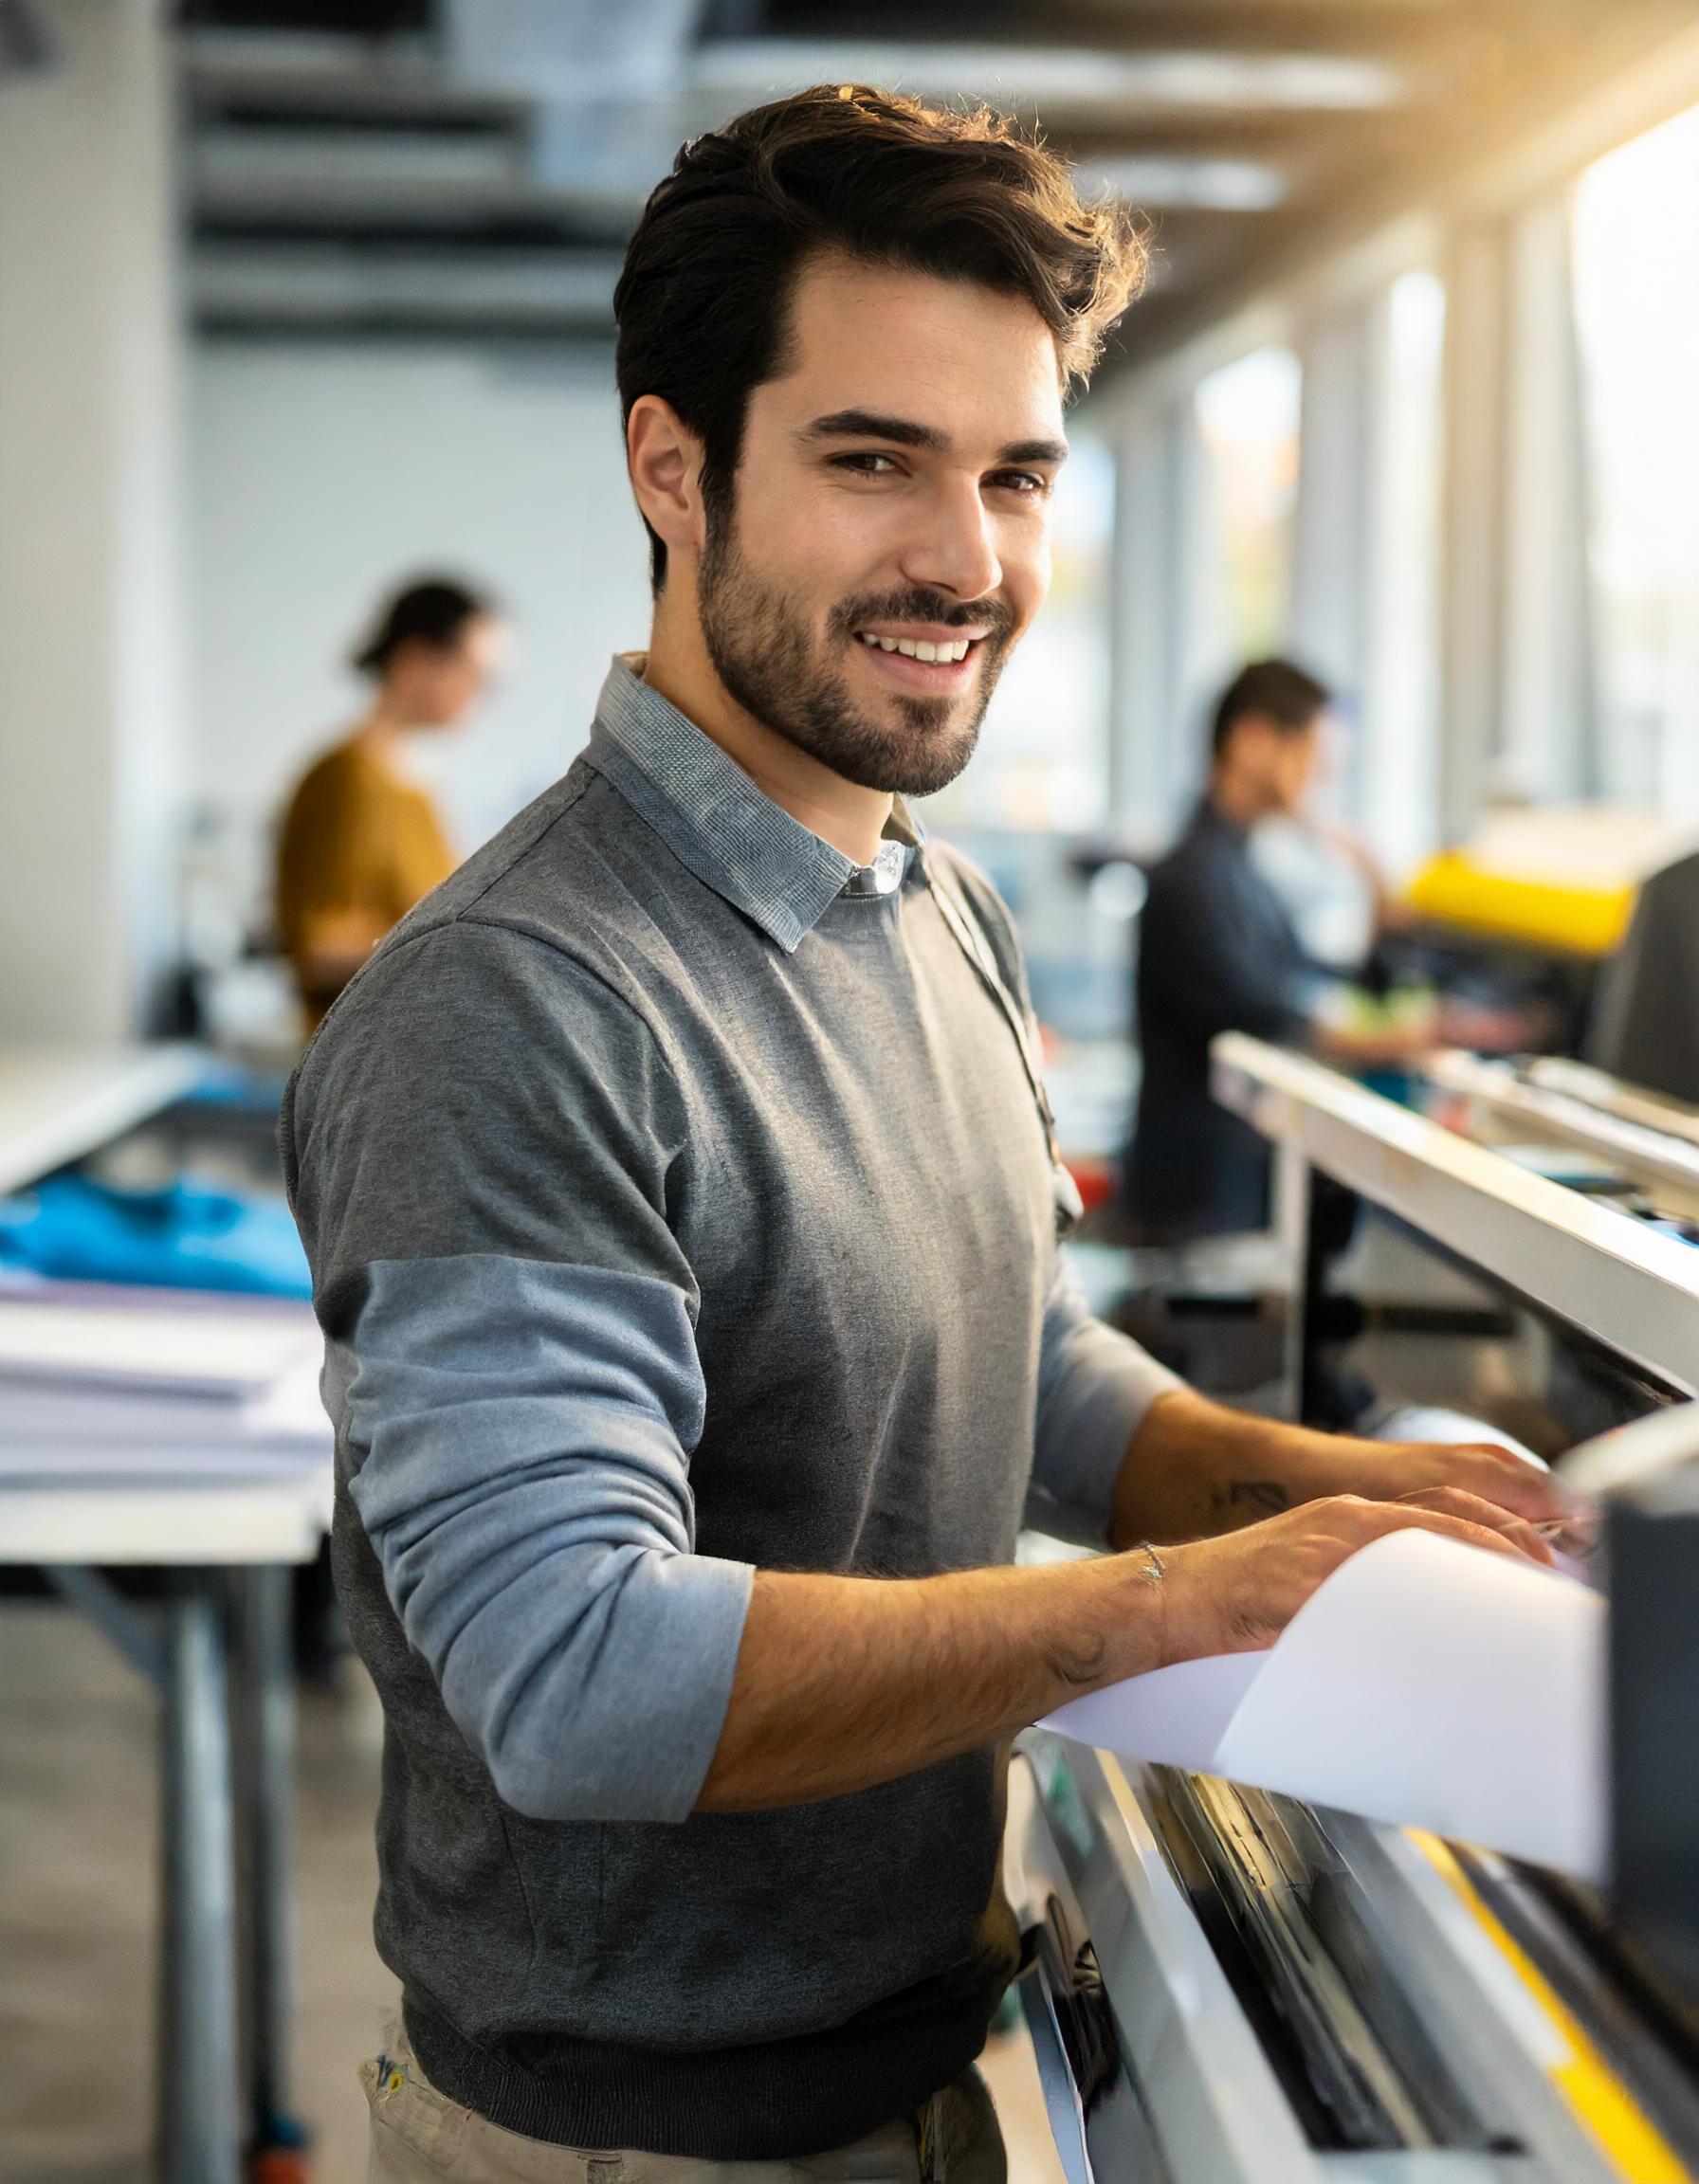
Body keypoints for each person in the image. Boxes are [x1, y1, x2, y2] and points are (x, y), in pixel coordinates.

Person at [282, 90, 1576, 2180]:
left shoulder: (930, 902)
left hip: (917, 2062)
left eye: (1013, 476)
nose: (963, 561)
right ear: (670, 468)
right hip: (644, 2148)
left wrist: (1355, 1494)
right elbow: (578, 1668)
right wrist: (1176, 1601)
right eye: (872, 460)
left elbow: (1012, 1346)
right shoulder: (518, 1002)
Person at [274, 575, 507, 1032]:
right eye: (473, 674)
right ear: (415, 661)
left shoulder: (418, 788)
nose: (481, 698)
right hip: (358, 1063)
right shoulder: (345, 779)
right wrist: (467, 941)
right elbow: (319, 951)